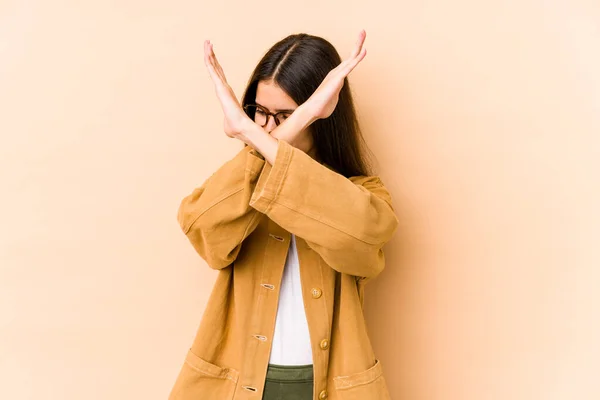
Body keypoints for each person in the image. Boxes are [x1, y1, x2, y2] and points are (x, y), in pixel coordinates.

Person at [168, 30, 399, 400]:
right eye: (258, 113)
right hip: (236, 386)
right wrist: (282, 131)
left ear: (324, 116)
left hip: (331, 386)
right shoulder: (241, 188)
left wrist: (248, 133)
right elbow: (201, 229)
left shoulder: (364, 194)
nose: (266, 128)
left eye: (286, 116)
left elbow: (358, 234)